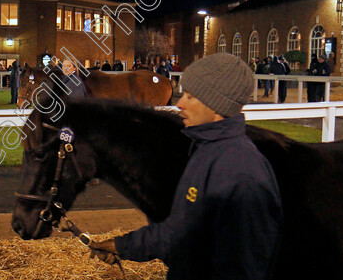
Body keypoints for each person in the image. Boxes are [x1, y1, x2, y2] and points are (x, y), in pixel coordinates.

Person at [88, 53, 282, 279]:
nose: (179, 103)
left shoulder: (242, 172)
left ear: (214, 104)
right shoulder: (206, 150)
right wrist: (123, 246)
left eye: (190, 97)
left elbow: (246, 266)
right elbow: (180, 232)